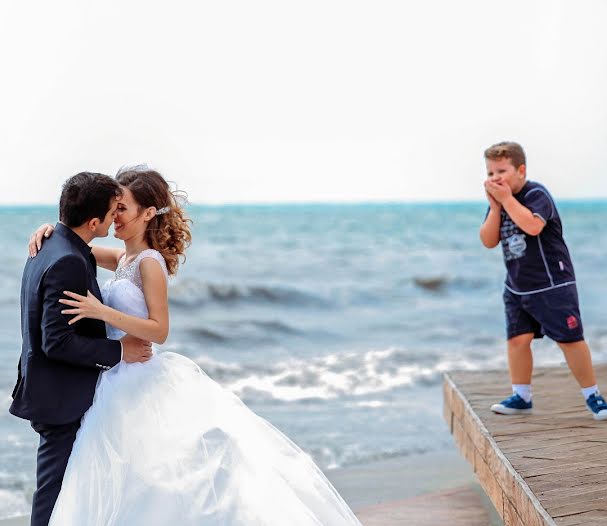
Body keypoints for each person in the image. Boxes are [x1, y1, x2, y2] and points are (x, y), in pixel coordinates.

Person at [28, 165, 362, 526]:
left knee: (156, 478)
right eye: (113, 209)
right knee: (121, 476)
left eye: (122, 208)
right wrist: (48, 231)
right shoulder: (122, 258)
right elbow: (76, 247)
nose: (116, 216)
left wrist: (101, 310)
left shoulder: (150, 264)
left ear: (148, 213)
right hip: (114, 377)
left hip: (138, 376)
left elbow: (159, 330)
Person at [10, 172, 154, 526]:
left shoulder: (53, 246)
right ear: (94, 222)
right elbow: (56, 341)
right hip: (60, 397)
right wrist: (119, 351)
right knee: (54, 493)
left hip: (57, 390)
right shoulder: (67, 260)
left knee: (75, 490)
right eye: (111, 212)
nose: (114, 218)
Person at [479, 142, 607, 421]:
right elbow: (488, 240)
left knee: (569, 340)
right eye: (490, 173)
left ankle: (593, 395)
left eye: (501, 171)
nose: (495, 179)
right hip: (517, 286)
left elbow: (532, 225)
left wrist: (506, 201)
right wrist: (495, 208)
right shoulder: (500, 203)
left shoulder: (536, 194)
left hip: (552, 284)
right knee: (517, 340)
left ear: (520, 170)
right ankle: (522, 396)